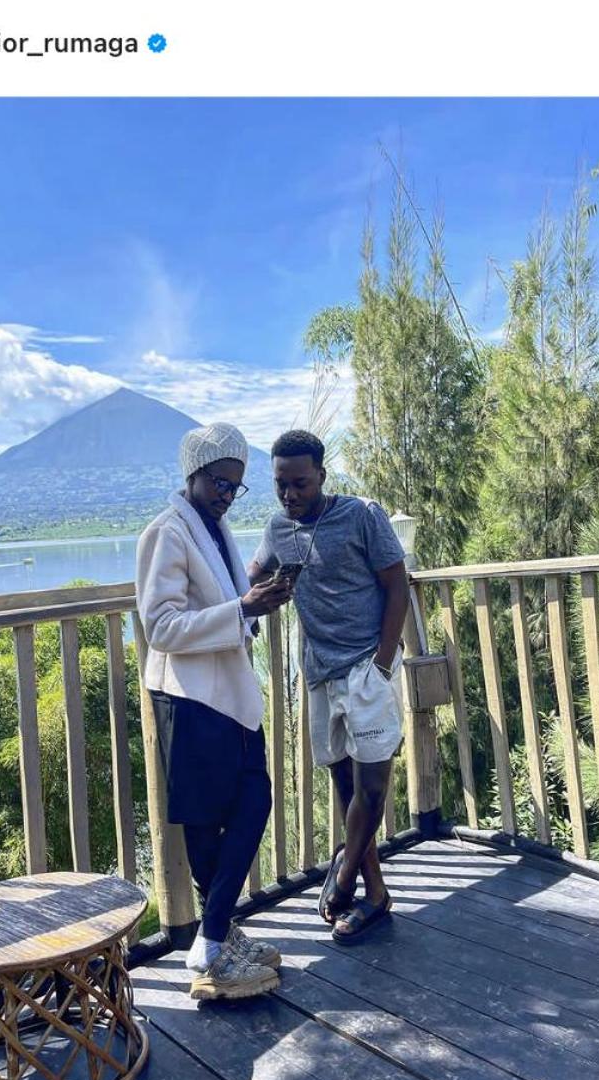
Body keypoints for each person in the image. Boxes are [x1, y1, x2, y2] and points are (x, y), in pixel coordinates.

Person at [136, 422, 292, 1001]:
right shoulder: (167, 533)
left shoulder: (215, 529)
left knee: (253, 798)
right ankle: (212, 949)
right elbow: (160, 627)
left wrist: (251, 610)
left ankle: (215, 934)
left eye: (235, 486)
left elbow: (225, 608)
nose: (228, 494)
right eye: (220, 483)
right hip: (189, 695)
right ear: (194, 475)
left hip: (229, 694)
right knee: (205, 822)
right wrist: (241, 609)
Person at [250, 429, 410, 941]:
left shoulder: (362, 515)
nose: (289, 494)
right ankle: (375, 895)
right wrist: (243, 603)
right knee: (344, 786)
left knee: (372, 787)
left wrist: (382, 663)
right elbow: (251, 575)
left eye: (300, 483)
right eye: (280, 484)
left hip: (366, 668)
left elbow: (398, 584)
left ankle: (343, 881)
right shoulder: (279, 529)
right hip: (320, 673)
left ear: (321, 474)